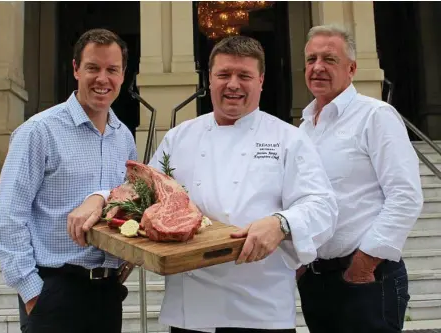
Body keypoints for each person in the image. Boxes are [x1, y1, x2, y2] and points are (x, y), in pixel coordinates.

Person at [76, 35, 338, 333]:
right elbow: (140, 190)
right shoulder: (181, 136)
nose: (233, 84)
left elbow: (323, 206)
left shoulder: (289, 139)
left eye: (244, 76)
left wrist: (281, 223)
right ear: (209, 80)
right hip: (191, 310)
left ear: (261, 81)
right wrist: (98, 198)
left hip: (261, 308)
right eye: (224, 75)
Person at [0, 28, 137, 333]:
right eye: (92, 68)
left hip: (108, 294)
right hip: (54, 291)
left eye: (112, 70)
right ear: (75, 69)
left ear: (123, 75)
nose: (103, 79)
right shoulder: (39, 131)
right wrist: (33, 294)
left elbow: (126, 200)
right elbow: (8, 217)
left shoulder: (124, 138)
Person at [296, 24, 424, 333]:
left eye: (329, 59)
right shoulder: (302, 129)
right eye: (311, 59)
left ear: (351, 68)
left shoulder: (375, 116)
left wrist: (363, 264)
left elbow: (405, 196)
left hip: (366, 280)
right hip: (317, 282)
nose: (318, 67)